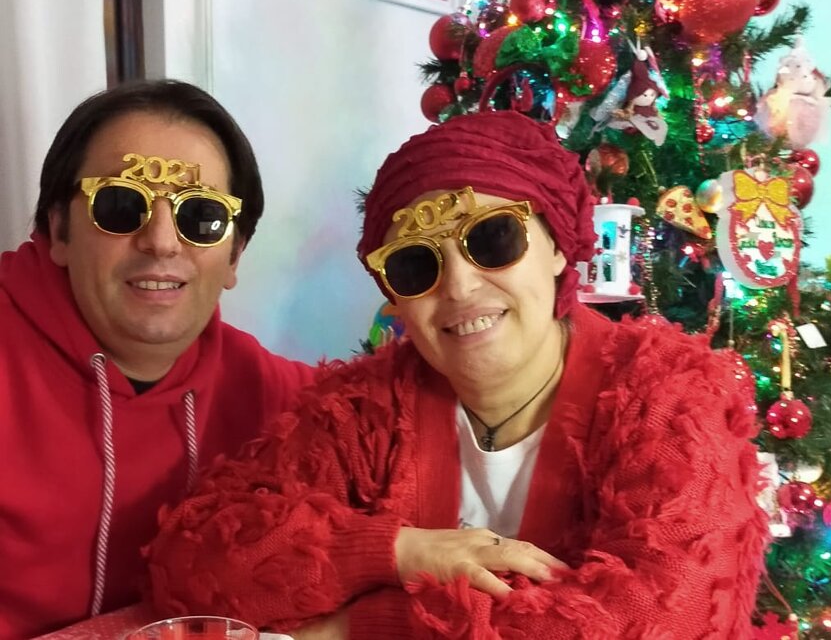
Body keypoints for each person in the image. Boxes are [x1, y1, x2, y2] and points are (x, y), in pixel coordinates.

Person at [148, 110, 768, 639]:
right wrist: (398, 550)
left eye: (493, 239)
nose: (460, 287)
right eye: (417, 265)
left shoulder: (670, 399)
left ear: (559, 245)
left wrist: (361, 625)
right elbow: (194, 564)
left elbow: (664, 617)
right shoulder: (363, 411)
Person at [0, 80, 314, 639]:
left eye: (202, 217)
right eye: (121, 205)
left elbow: (407, 412)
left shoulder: (269, 391)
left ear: (235, 255)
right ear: (59, 230)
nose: (162, 241)